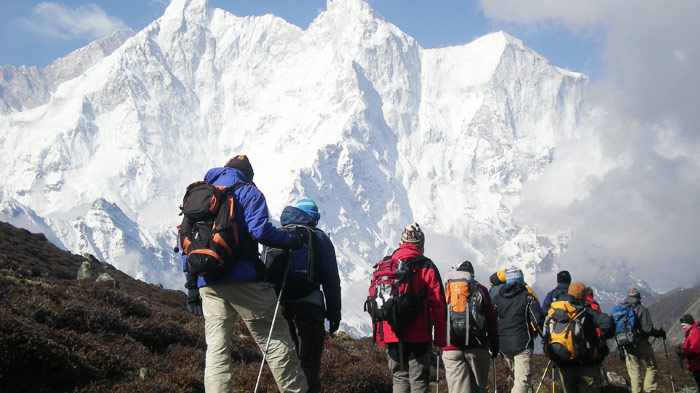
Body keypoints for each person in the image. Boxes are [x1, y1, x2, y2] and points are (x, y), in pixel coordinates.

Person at [182, 155, 309, 393]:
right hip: (244, 279)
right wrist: (291, 241)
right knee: (276, 341)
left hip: (207, 282)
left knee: (217, 348)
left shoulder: (200, 195)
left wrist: (191, 286)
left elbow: (187, 241)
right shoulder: (249, 192)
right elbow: (260, 231)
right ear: (247, 175)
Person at [268, 198, 342, 393]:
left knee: (285, 362)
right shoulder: (318, 237)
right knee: (308, 362)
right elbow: (331, 280)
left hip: (279, 305)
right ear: (313, 219)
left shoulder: (276, 235)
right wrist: (334, 313)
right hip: (310, 306)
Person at [373, 223, 447, 393]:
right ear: (421, 244)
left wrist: (380, 335)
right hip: (419, 336)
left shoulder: (386, 266)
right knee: (419, 381)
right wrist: (441, 339)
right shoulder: (426, 266)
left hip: (392, 333)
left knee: (399, 378)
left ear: (401, 242)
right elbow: (438, 305)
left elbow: (375, 300)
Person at [441, 261, 499, 393]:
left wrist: (440, 341)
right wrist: (494, 343)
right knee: (478, 388)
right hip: (477, 346)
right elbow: (491, 319)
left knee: (457, 389)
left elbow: (438, 316)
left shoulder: (446, 289)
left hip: (451, 347)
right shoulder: (480, 289)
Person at [551, 282, 615, 393]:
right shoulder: (587, 312)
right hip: (586, 363)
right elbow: (608, 324)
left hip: (564, 363)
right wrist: (602, 338)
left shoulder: (556, 312)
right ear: (584, 296)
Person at [492, 267, 545, 393]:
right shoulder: (527, 297)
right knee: (523, 379)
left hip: (504, 345)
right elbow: (538, 321)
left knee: (518, 377)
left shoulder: (497, 299)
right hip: (523, 343)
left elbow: (491, 321)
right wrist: (546, 339)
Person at [620, 288, 666, 393]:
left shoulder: (622, 309)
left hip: (627, 344)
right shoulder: (642, 309)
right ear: (638, 297)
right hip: (641, 342)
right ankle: (649, 389)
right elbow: (648, 329)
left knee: (634, 372)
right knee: (650, 366)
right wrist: (659, 333)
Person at [676, 314, 700, 388]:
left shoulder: (695, 333)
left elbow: (694, 349)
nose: (683, 327)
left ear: (689, 324)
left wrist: (683, 352)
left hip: (697, 364)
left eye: (684, 325)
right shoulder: (690, 333)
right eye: (682, 326)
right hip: (695, 364)